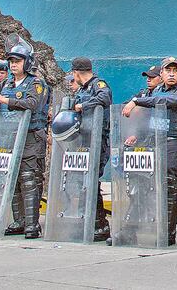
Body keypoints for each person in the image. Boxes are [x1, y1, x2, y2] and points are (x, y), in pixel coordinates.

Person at [125, 56, 177, 245]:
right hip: (152, 143)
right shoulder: (155, 91)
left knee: (170, 185)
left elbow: (168, 100)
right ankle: (131, 230)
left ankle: (167, 232)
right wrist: (136, 135)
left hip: (172, 144)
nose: (172, 74)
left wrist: (137, 100)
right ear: (162, 73)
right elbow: (148, 118)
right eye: (168, 70)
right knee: (139, 186)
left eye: (175, 71)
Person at [0, 42, 50, 239]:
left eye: (17, 61)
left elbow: (32, 103)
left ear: (27, 62)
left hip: (31, 137)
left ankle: (32, 224)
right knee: (12, 180)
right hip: (9, 136)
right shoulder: (6, 84)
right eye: (11, 61)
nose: (13, 65)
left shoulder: (36, 83)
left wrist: (4, 100)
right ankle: (19, 220)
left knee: (29, 179)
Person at [69, 57, 113, 242]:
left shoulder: (98, 84)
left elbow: (105, 97)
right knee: (84, 183)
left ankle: (100, 224)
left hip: (98, 140)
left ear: (76, 72)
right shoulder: (83, 88)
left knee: (92, 181)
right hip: (84, 140)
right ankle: (90, 221)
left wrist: (83, 105)